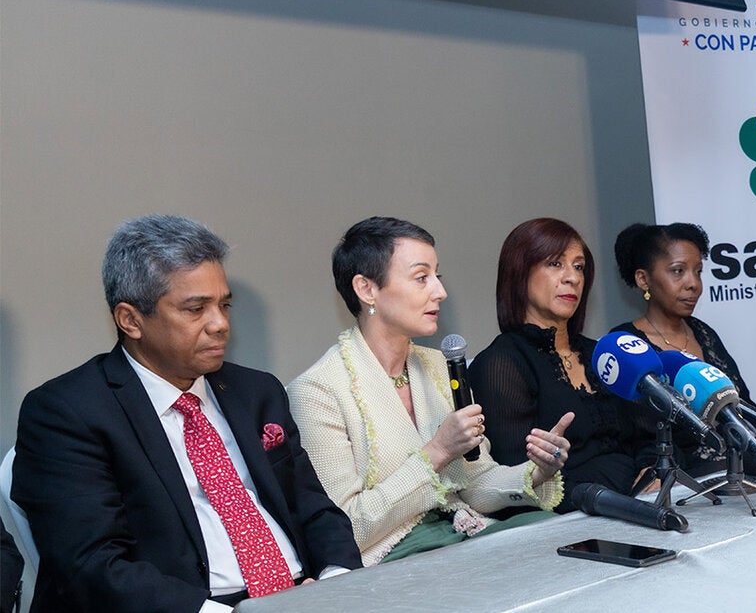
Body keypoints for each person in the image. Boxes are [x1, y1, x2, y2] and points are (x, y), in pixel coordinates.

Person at [12, 215, 362, 613]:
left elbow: (314, 508)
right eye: (196, 309)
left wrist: (334, 583)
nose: (221, 324)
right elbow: (91, 565)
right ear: (131, 320)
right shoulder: (67, 412)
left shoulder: (256, 392)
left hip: (302, 594)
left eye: (224, 305)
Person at [286, 217, 570, 566]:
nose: (440, 291)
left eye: (437, 276)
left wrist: (537, 472)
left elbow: (475, 484)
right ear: (367, 289)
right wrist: (438, 451)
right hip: (393, 555)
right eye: (422, 277)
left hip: (462, 528)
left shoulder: (438, 365)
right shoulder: (317, 391)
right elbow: (347, 527)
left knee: (555, 534)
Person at [471, 218, 658, 511]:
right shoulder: (500, 363)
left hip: (645, 503)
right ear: (519, 272)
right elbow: (515, 484)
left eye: (579, 266)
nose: (573, 278)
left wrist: (652, 471)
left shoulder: (602, 353)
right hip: (573, 518)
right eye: (556, 264)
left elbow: (651, 437)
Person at [610, 222, 756, 475]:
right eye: (678, 271)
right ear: (643, 279)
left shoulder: (703, 333)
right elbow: (638, 437)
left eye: (698, 271)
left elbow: (743, 406)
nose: (693, 284)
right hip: (684, 480)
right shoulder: (626, 344)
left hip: (741, 470)